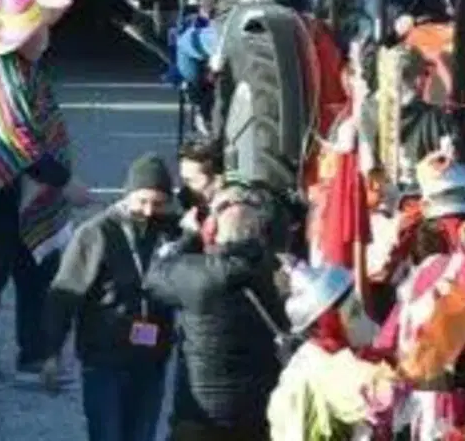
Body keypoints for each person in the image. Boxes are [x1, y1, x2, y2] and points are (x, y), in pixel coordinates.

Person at [0, 0, 73, 379]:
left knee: (35, 272)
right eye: (39, 30)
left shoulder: (30, 70)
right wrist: (61, 178)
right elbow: (16, 138)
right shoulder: (0, 74)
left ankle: (32, 354)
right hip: (0, 191)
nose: (46, 35)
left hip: (30, 190)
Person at [41, 154, 179, 441]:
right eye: (142, 201)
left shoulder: (171, 231)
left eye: (158, 203)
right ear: (128, 194)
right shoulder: (96, 233)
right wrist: (52, 351)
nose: (149, 211)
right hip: (104, 357)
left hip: (151, 356)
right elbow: (64, 295)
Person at [147, 185, 286, 441]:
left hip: (201, 416)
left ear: (212, 230)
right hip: (260, 414)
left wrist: (189, 237)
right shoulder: (278, 273)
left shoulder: (199, 275)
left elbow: (154, 278)